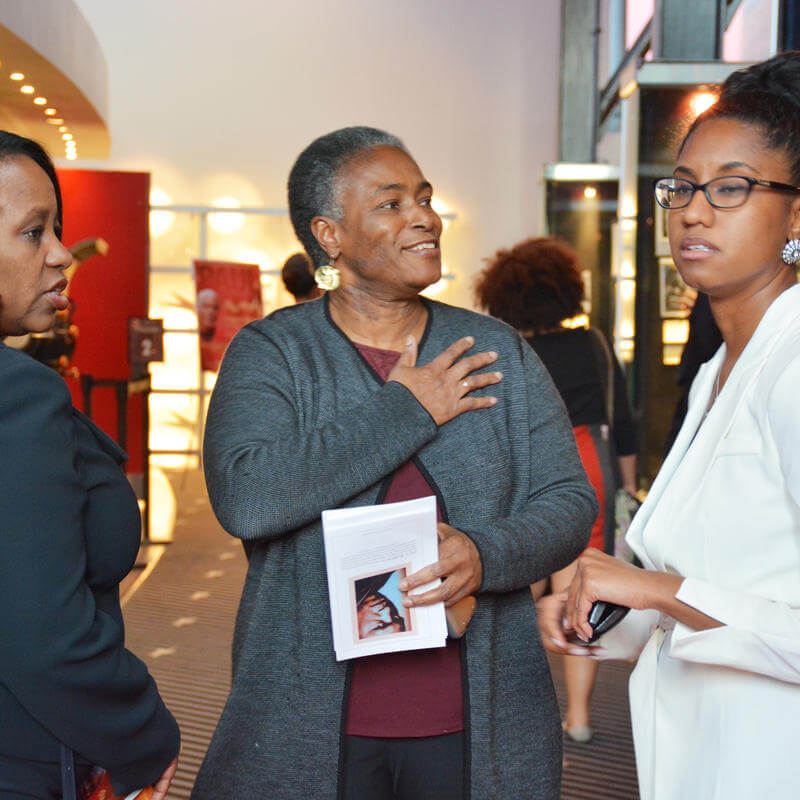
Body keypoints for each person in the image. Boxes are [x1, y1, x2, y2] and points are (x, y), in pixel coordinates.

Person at [191, 126, 598, 800]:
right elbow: (249, 498)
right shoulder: (274, 353)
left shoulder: (497, 351)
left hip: (475, 721)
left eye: (425, 198)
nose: (424, 218)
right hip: (313, 725)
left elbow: (567, 501)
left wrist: (484, 553)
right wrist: (408, 407)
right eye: (390, 204)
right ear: (330, 234)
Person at [538, 51, 800, 800]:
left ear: (796, 214)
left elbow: (687, 591)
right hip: (700, 749)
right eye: (681, 187)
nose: (692, 210)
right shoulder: (723, 368)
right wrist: (606, 611)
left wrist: (657, 589)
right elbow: (727, 578)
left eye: (732, 188)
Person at [0, 131, 180, 798]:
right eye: (33, 233)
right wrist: (144, 736)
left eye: (58, 230)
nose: (59, 257)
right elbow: (44, 635)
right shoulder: (16, 392)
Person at [475, 237, 638, 743]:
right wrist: (630, 485)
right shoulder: (593, 343)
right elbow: (623, 420)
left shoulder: (504, 350)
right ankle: (581, 718)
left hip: (524, 467)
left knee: (514, 587)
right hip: (587, 466)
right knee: (578, 591)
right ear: (567, 291)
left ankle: (501, 709)